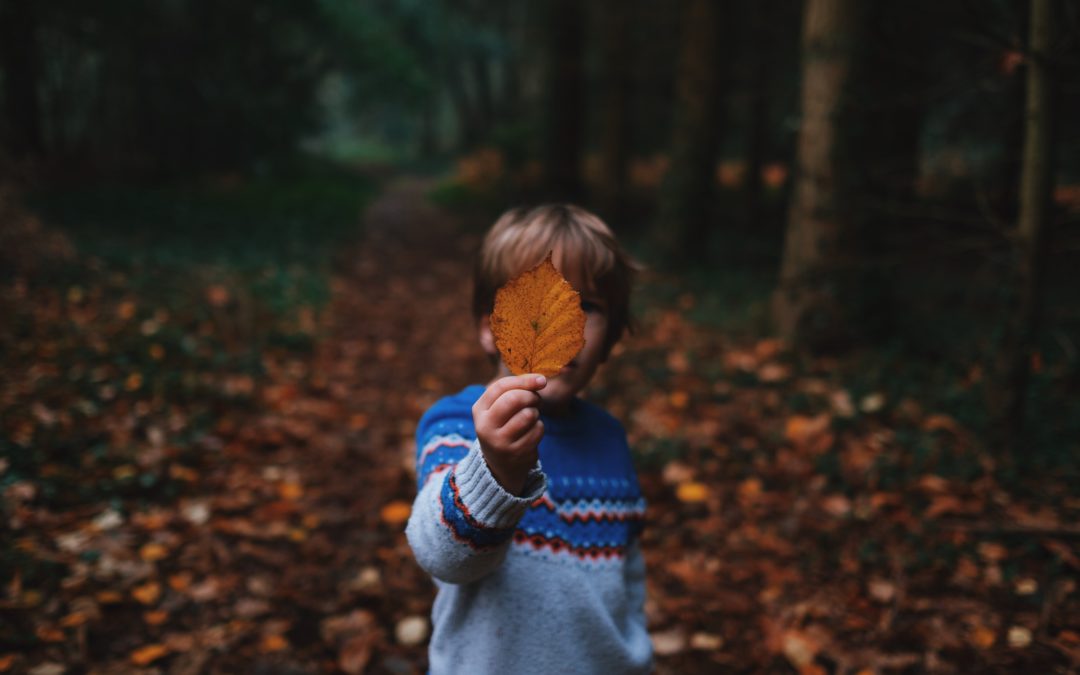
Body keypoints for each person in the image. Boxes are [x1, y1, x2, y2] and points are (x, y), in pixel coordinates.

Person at [405, 203, 652, 674]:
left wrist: (636, 652)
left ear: (612, 338)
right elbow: (443, 555)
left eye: (588, 307)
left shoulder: (610, 440)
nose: (564, 323)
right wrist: (496, 469)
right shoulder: (459, 424)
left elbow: (629, 575)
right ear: (488, 327)